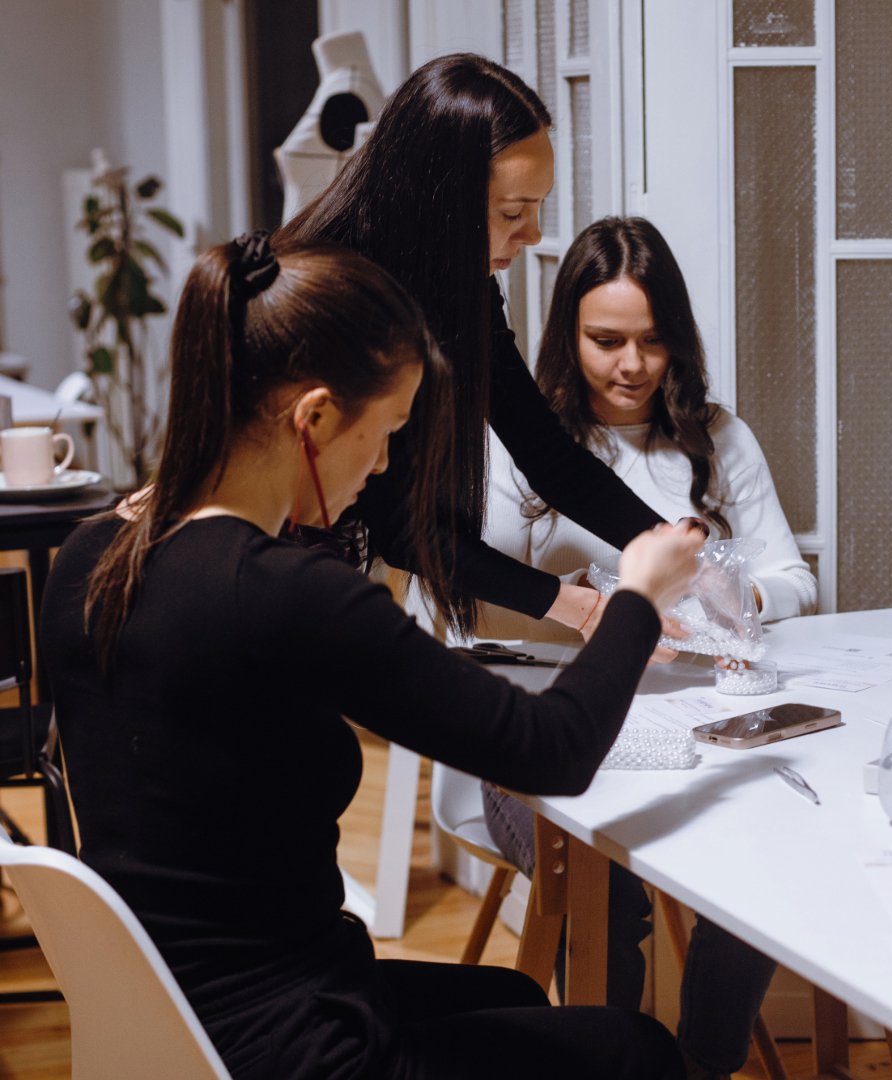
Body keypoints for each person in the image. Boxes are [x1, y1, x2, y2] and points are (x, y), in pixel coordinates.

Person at [40, 234, 703, 1080]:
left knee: (515, 995)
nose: (386, 464)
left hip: (164, 1018)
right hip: (295, 1045)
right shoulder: (288, 593)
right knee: (639, 1051)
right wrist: (637, 599)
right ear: (314, 418)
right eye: (386, 431)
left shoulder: (89, 557)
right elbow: (554, 750)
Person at [479, 218, 818, 1080]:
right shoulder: (520, 441)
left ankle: (701, 1068)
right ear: (566, 336)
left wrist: (731, 595)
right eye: (606, 341)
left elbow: (793, 580)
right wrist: (593, 608)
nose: (632, 365)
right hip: (544, 737)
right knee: (607, 891)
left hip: (699, 727)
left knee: (766, 860)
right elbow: (476, 609)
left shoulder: (718, 438)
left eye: (653, 341)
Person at [282, 53, 693, 656]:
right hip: (279, 580)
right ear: (438, 198)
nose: (532, 234)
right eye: (511, 213)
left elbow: (545, 451)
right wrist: (578, 606)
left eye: (537, 208)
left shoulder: (459, 285)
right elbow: (403, 527)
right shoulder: (336, 293)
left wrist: (677, 553)